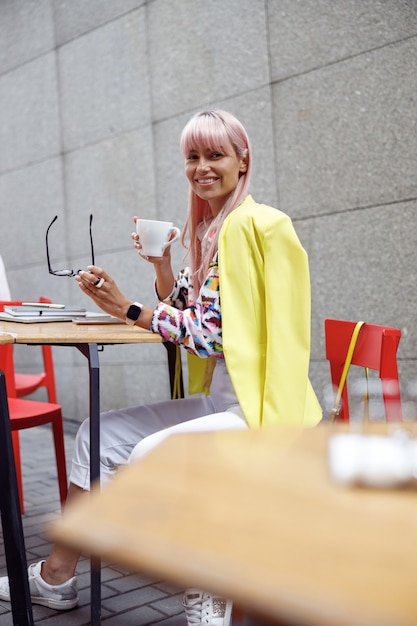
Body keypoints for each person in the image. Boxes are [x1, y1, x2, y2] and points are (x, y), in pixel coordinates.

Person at [0, 110, 322, 625]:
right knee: (97, 437)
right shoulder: (213, 228)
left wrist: (128, 308)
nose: (201, 167)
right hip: (225, 399)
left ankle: (213, 584)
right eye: (192, 157)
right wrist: (161, 268)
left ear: (244, 161)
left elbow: (213, 333)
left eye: (215, 155)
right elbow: (195, 312)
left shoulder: (256, 224)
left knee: (155, 454)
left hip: (263, 407)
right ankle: (57, 577)